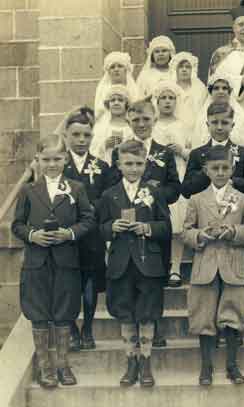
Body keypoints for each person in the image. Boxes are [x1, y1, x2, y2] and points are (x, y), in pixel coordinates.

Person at [12, 133, 95, 388]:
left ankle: (63, 365)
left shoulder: (76, 188)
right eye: (46, 159)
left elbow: (88, 220)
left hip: (65, 261)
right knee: (39, 313)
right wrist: (33, 235)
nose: (51, 164)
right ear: (37, 159)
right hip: (36, 263)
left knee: (64, 312)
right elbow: (17, 224)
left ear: (65, 159)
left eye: (57, 158)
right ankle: (45, 367)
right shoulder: (28, 190)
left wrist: (69, 233)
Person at [183, 145, 244, 386]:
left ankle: (232, 365)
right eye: (215, 168)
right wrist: (199, 236)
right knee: (204, 315)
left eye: (225, 168)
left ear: (232, 169)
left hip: (234, 264)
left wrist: (234, 232)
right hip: (205, 264)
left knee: (234, 314)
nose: (220, 172)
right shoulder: (196, 199)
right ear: (206, 170)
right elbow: (185, 231)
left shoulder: (243, 199)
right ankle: (206, 367)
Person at [98, 140, 172, 387]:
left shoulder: (155, 192)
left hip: (147, 263)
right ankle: (131, 361)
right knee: (125, 312)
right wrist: (111, 227)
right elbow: (100, 227)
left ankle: (146, 361)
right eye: (128, 163)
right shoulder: (109, 194)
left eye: (138, 163)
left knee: (147, 313)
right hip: (120, 263)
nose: (133, 168)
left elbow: (166, 227)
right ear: (119, 164)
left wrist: (147, 227)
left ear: (146, 164)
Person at [109, 97, 181, 348]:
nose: (141, 124)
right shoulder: (118, 152)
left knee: (153, 276)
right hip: (127, 226)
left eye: (146, 119)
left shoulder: (164, 152)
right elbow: (112, 187)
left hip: (153, 222)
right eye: (136, 119)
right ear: (129, 120)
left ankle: (154, 327)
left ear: (155, 120)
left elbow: (175, 187)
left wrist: (156, 191)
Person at [61, 107, 113, 352]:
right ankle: (71, 329)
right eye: (76, 135)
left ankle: (88, 328)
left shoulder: (101, 167)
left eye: (86, 135)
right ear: (66, 136)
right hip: (67, 234)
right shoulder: (58, 165)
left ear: (92, 137)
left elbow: (107, 197)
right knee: (70, 283)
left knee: (90, 282)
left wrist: (94, 210)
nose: (81, 140)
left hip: (91, 234)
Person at [152, 80, 191, 287]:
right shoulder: (152, 125)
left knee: (178, 223)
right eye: (163, 98)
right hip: (158, 176)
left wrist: (181, 151)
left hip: (179, 173)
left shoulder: (183, 125)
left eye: (171, 98)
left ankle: (175, 268)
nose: (167, 102)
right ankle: (159, 266)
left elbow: (193, 153)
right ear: (156, 102)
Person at [184, 101, 244, 199]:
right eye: (214, 122)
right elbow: (186, 190)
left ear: (232, 126)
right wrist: (207, 172)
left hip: (235, 206)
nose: (219, 127)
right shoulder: (197, 154)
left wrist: (232, 181)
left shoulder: (243, 153)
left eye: (224, 123)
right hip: (205, 209)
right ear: (207, 125)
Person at [193, 73, 244, 150]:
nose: (220, 91)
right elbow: (198, 143)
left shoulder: (240, 115)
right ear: (211, 92)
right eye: (216, 88)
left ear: (229, 92)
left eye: (224, 88)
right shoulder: (202, 116)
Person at [90, 84, 135, 165]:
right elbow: (92, 150)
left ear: (126, 104)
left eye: (120, 100)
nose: (116, 103)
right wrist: (105, 145)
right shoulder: (100, 127)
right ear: (108, 104)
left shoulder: (131, 127)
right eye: (112, 100)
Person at [94, 51, 140, 122]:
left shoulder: (133, 89)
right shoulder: (103, 89)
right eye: (112, 67)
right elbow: (99, 111)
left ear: (126, 69)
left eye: (120, 66)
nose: (116, 69)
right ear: (108, 71)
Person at [168, 51, 208, 131]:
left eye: (187, 67)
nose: (184, 69)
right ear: (175, 69)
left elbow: (203, 110)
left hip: (195, 126)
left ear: (192, 69)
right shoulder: (170, 87)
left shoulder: (200, 88)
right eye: (181, 67)